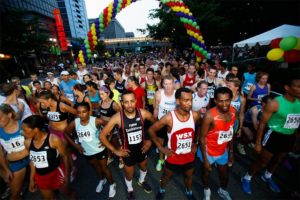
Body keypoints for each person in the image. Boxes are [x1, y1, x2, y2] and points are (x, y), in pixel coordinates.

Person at [241, 76, 300, 194]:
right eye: (298, 86)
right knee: (262, 162)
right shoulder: (274, 103)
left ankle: (267, 176)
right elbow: (262, 124)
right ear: (287, 88)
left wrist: (296, 140)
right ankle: (247, 177)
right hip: (273, 135)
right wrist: (257, 143)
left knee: (279, 160)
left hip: (289, 136)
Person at [100, 90, 155, 200]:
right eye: (126, 102)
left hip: (142, 149)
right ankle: (130, 189)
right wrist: (115, 150)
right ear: (122, 103)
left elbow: (156, 125)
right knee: (129, 174)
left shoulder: (144, 113)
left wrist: (149, 140)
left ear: (135, 101)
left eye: (132, 101)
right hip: (127, 152)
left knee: (144, 168)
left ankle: (141, 181)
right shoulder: (117, 118)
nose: (130, 105)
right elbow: (102, 136)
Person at [148, 87, 201, 200]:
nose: (189, 103)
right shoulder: (169, 118)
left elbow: (199, 128)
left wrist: (195, 142)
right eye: (185, 100)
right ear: (178, 101)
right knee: (166, 176)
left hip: (189, 155)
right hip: (173, 156)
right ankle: (162, 190)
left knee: (189, 176)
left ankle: (189, 192)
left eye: (191, 100)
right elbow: (151, 130)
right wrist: (161, 148)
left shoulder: (195, 115)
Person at [64, 102, 116, 197]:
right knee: (96, 167)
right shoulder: (75, 123)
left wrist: (107, 139)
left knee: (104, 168)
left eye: (84, 112)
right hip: (87, 151)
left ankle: (112, 184)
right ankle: (102, 180)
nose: (81, 115)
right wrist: (76, 145)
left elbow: (111, 126)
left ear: (88, 112)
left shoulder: (96, 121)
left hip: (100, 150)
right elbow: (66, 133)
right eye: (79, 112)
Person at [22, 115, 76, 199]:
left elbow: (65, 156)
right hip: (40, 177)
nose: (22, 132)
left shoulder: (53, 139)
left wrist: (67, 175)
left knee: (68, 193)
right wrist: (31, 179)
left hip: (56, 173)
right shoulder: (27, 143)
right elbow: (33, 162)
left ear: (35, 130)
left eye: (25, 130)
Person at [198, 87, 236, 200]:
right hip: (208, 151)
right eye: (221, 101)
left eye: (227, 100)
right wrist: (205, 160)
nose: (224, 104)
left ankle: (222, 190)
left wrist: (231, 152)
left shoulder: (234, 112)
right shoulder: (209, 116)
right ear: (215, 101)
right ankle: (206, 191)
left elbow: (230, 133)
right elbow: (202, 138)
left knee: (224, 175)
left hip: (222, 151)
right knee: (206, 174)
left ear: (231, 99)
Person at [0, 104, 30, 200]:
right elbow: (0, 152)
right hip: (16, 164)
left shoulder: (24, 125)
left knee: (42, 186)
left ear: (9, 115)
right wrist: (6, 170)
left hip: (32, 159)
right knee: (15, 194)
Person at [153, 75, 177, 171]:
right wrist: (154, 123)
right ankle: (161, 159)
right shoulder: (159, 94)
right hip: (161, 122)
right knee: (161, 142)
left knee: (172, 142)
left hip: (173, 123)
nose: (168, 86)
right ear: (163, 84)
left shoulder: (177, 94)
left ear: (173, 84)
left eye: (170, 84)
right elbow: (156, 108)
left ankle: (171, 158)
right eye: (166, 84)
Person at [227, 80, 246, 155]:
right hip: (223, 121)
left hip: (234, 123)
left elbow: (241, 114)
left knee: (231, 139)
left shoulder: (242, 99)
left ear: (237, 87)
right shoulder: (225, 96)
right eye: (227, 85)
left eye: (230, 86)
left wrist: (240, 128)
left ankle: (228, 154)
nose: (227, 87)